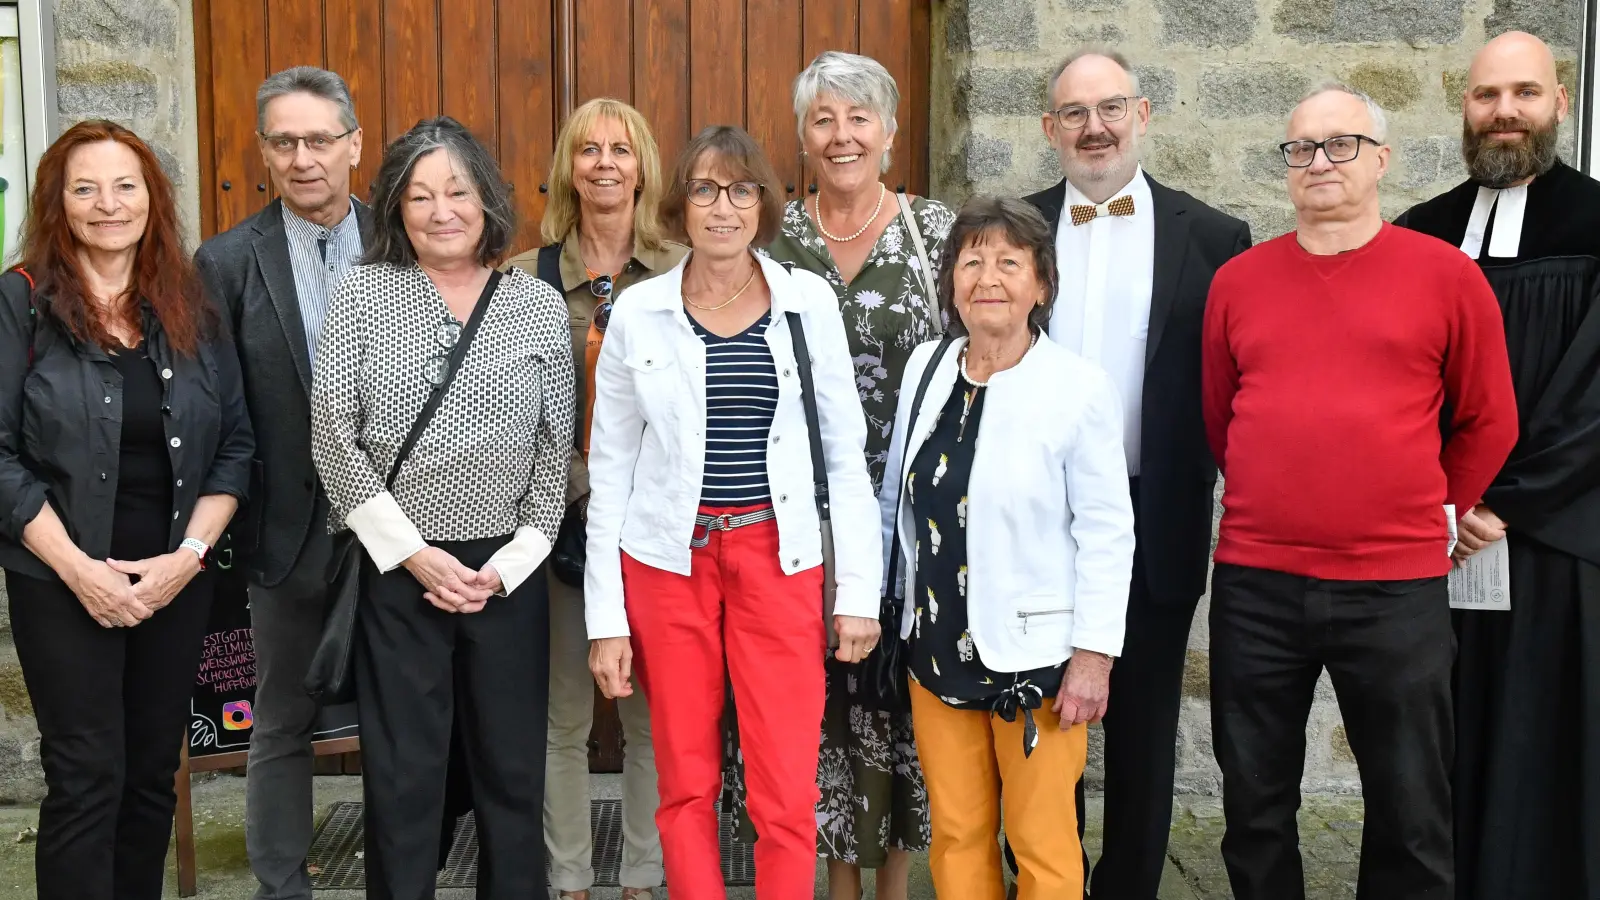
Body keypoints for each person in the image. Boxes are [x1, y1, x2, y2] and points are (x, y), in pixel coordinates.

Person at [1201, 85, 1519, 900]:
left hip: (1396, 586)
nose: (1318, 162)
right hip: (1258, 584)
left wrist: (1430, 511)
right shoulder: (1238, 281)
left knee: (1412, 806)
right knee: (1255, 801)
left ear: (1381, 160)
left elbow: (1489, 418)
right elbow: (1220, 417)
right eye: (1300, 148)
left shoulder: (1447, 277)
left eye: (1339, 144)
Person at [584, 125, 882, 900]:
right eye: (706, 190)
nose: (724, 207)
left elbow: (845, 459)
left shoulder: (806, 301)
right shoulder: (639, 313)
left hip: (778, 560)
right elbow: (610, 474)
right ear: (680, 204)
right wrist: (605, 620)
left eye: (742, 189)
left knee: (784, 788)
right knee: (684, 780)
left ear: (764, 202)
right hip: (666, 566)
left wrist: (856, 596)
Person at [309, 116, 573, 900]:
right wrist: (414, 554)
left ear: (487, 200)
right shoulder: (362, 292)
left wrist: (503, 569)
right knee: (403, 778)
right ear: (395, 207)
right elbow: (331, 434)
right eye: (420, 195)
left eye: (457, 190)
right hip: (400, 571)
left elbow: (555, 450)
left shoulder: (533, 304)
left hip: (506, 576)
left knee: (511, 776)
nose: (441, 210)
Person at [0, 120, 254, 900]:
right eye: (85, 188)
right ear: (58, 203)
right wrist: (82, 573)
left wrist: (187, 562)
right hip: (60, 580)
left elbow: (236, 444)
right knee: (86, 777)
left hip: (176, 582)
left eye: (125, 186)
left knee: (150, 775)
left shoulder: (189, 297)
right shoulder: (21, 301)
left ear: (152, 197)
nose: (108, 204)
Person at [1023, 49, 1251, 900]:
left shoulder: (1217, 237)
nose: (1095, 127)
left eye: (1110, 107)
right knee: (1046, 726)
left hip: (1157, 518)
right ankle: (1052, 882)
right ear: (1051, 129)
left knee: (1147, 732)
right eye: (1074, 113)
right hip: (1040, 525)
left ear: (1144, 113)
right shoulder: (1015, 228)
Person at [734, 49, 950, 900]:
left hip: (913, 513)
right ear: (802, 137)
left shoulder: (936, 234)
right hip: (797, 510)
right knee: (813, 700)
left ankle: (896, 881)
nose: (842, 134)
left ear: (890, 134)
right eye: (824, 119)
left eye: (859, 118)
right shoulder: (771, 239)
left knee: (900, 698)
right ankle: (834, 880)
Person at [878, 195, 1133, 900]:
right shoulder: (927, 370)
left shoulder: (1077, 389)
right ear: (951, 281)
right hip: (934, 651)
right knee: (957, 837)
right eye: (972, 261)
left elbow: (1109, 532)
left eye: (1009, 263)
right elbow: (895, 495)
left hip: (1036, 663)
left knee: (1042, 843)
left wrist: (1093, 656)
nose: (987, 277)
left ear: (1041, 284)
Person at [1395, 31, 1600, 900]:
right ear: (1464, 108)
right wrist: (1440, 499)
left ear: (1559, 101)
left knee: (1544, 736)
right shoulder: (1420, 233)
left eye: (1523, 93)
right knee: (1435, 735)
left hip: (1554, 536)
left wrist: (1499, 500)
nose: (1504, 112)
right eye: (1486, 96)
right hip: (1436, 537)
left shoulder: (1597, 226)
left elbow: (1592, 397)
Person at [504, 96, 687, 900]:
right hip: (562, 531)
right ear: (567, 167)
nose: (605, 163)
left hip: (661, 533)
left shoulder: (687, 271)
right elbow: (511, 409)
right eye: (589, 149)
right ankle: (571, 882)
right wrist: (583, 489)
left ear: (643, 164)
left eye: (621, 148)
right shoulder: (524, 279)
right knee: (564, 720)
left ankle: (645, 878)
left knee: (656, 720)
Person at [193, 65, 368, 900]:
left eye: (320, 139)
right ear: (263, 151)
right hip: (286, 535)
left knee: (411, 720)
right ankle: (281, 887)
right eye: (285, 141)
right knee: (281, 724)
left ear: (354, 145)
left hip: (405, 529)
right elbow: (217, 406)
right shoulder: (226, 262)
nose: (304, 158)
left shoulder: (406, 243)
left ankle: (403, 876)